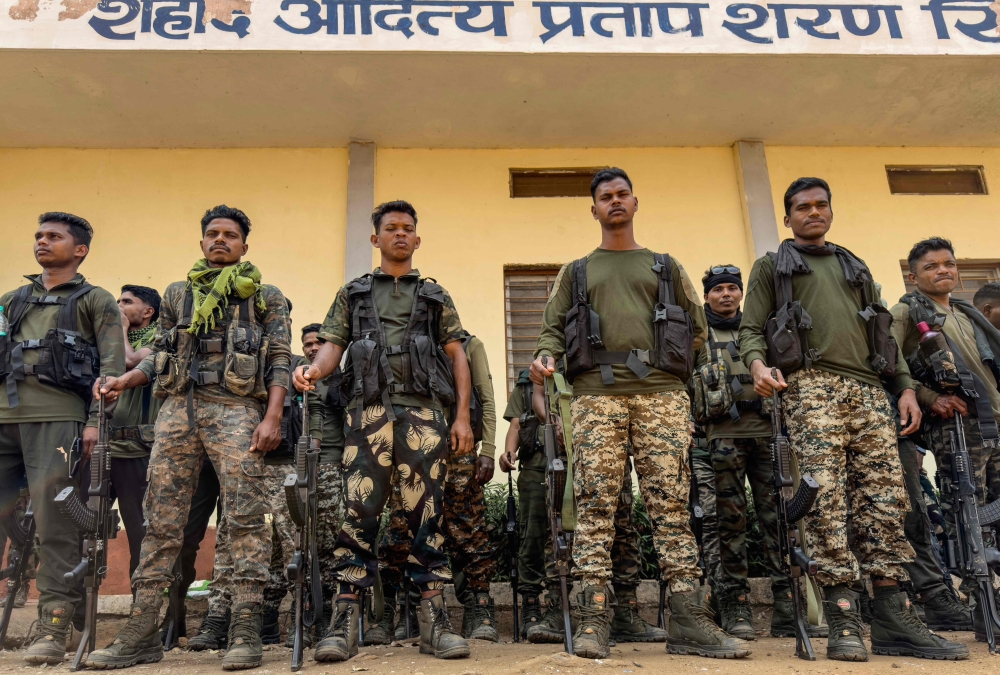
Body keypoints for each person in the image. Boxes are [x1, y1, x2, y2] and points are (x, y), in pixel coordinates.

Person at [739, 178, 967, 662]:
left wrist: (904, 387)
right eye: (803, 207)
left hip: (868, 390)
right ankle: (844, 618)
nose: (813, 212)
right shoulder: (771, 267)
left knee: (885, 501)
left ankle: (893, 618)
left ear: (831, 211)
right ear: (788, 218)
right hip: (809, 386)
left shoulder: (853, 265)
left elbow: (882, 332)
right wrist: (758, 367)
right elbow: (751, 329)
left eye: (821, 204)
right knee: (825, 504)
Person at [531, 167, 746, 660]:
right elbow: (550, 332)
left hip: (661, 398)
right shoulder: (577, 271)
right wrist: (546, 359)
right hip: (595, 399)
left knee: (671, 507)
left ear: (634, 202)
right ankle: (592, 620)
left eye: (622, 194)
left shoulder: (664, 266)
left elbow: (695, 333)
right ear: (594, 209)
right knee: (595, 510)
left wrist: (678, 390)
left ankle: (690, 620)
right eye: (605, 196)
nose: (614, 202)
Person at [86, 205, 291, 671]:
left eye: (231, 235)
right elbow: (160, 354)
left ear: (244, 245)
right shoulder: (179, 294)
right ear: (201, 243)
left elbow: (279, 357)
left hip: (237, 411)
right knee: (161, 522)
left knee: (244, 520)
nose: (221, 240)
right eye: (213, 234)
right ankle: (141, 631)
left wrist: (273, 416)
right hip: (178, 412)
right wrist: (124, 380)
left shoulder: (264, 295)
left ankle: (245, 628)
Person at [293, 200, 474, 661]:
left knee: (425, 515)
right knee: (358, 514)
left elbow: (457, 355)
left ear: (417, 239)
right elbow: (333, 346)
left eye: (407, 229)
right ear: (375, 239)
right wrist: (312, 371)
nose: (399, 234)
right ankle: (343, 624)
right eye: (390, 228)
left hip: (424, 416)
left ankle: (436, 625)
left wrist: (463, 418)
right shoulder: (353, 293)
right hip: (368, 416)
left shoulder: (435, 296)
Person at [0, 212, 126, 664]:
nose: (41, 242)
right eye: (38, 235)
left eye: (53, 236)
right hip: (4, 418)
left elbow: (112, 369)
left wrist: (96, 420)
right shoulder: (11, 300)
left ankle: (52, 627)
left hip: (59, 418)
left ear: (79, 250)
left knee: (56, 523)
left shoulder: (96, 300)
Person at [693, 265, 825, 640]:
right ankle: (735, 605)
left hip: (768, 436)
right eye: (718, 290)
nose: (726, 295)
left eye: (733, 288)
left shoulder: (762, 330)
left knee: (778, 521)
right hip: (722, 438)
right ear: (707, 296)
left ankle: (787, 604)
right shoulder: (698, 335)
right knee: (728, 524)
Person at [500, 369, 665, 645]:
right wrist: (559, 422)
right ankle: (557, 610)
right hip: (564, 450)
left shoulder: (609, 351)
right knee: (559, 530)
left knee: (622, 528)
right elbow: (539, 395)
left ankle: (626, 611)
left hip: (611, 448)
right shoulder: (554, 350)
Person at [890, 237, 1000, 641]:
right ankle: (979, 602)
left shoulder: (969, 313)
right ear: (912, 275)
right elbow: (890, 364)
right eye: (932, 266)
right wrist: (931, 397)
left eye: (949, 264)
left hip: (993, 423)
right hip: (957, 428)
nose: (943, 271)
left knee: (995, 514)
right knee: (966, 514)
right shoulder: (905, 312)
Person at [374, 330, 499, 644]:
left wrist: (488, 450)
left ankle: (479, 609)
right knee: (402, 529)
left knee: (468, 528)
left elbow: (486, 397)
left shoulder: (470, 345)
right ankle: (397, 611)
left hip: (460, 451)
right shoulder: (402, 344)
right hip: (410, 452)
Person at [112, 285, 163, 582]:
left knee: (139, 532)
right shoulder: (110, 337)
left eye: (127, 302)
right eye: (118, 301)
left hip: (138, 450)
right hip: (102, 445)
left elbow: (133, 363)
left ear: (147, 312)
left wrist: (117, 327)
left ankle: (140, 605)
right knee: (77, 524)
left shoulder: (158, 337)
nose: (119, 305)